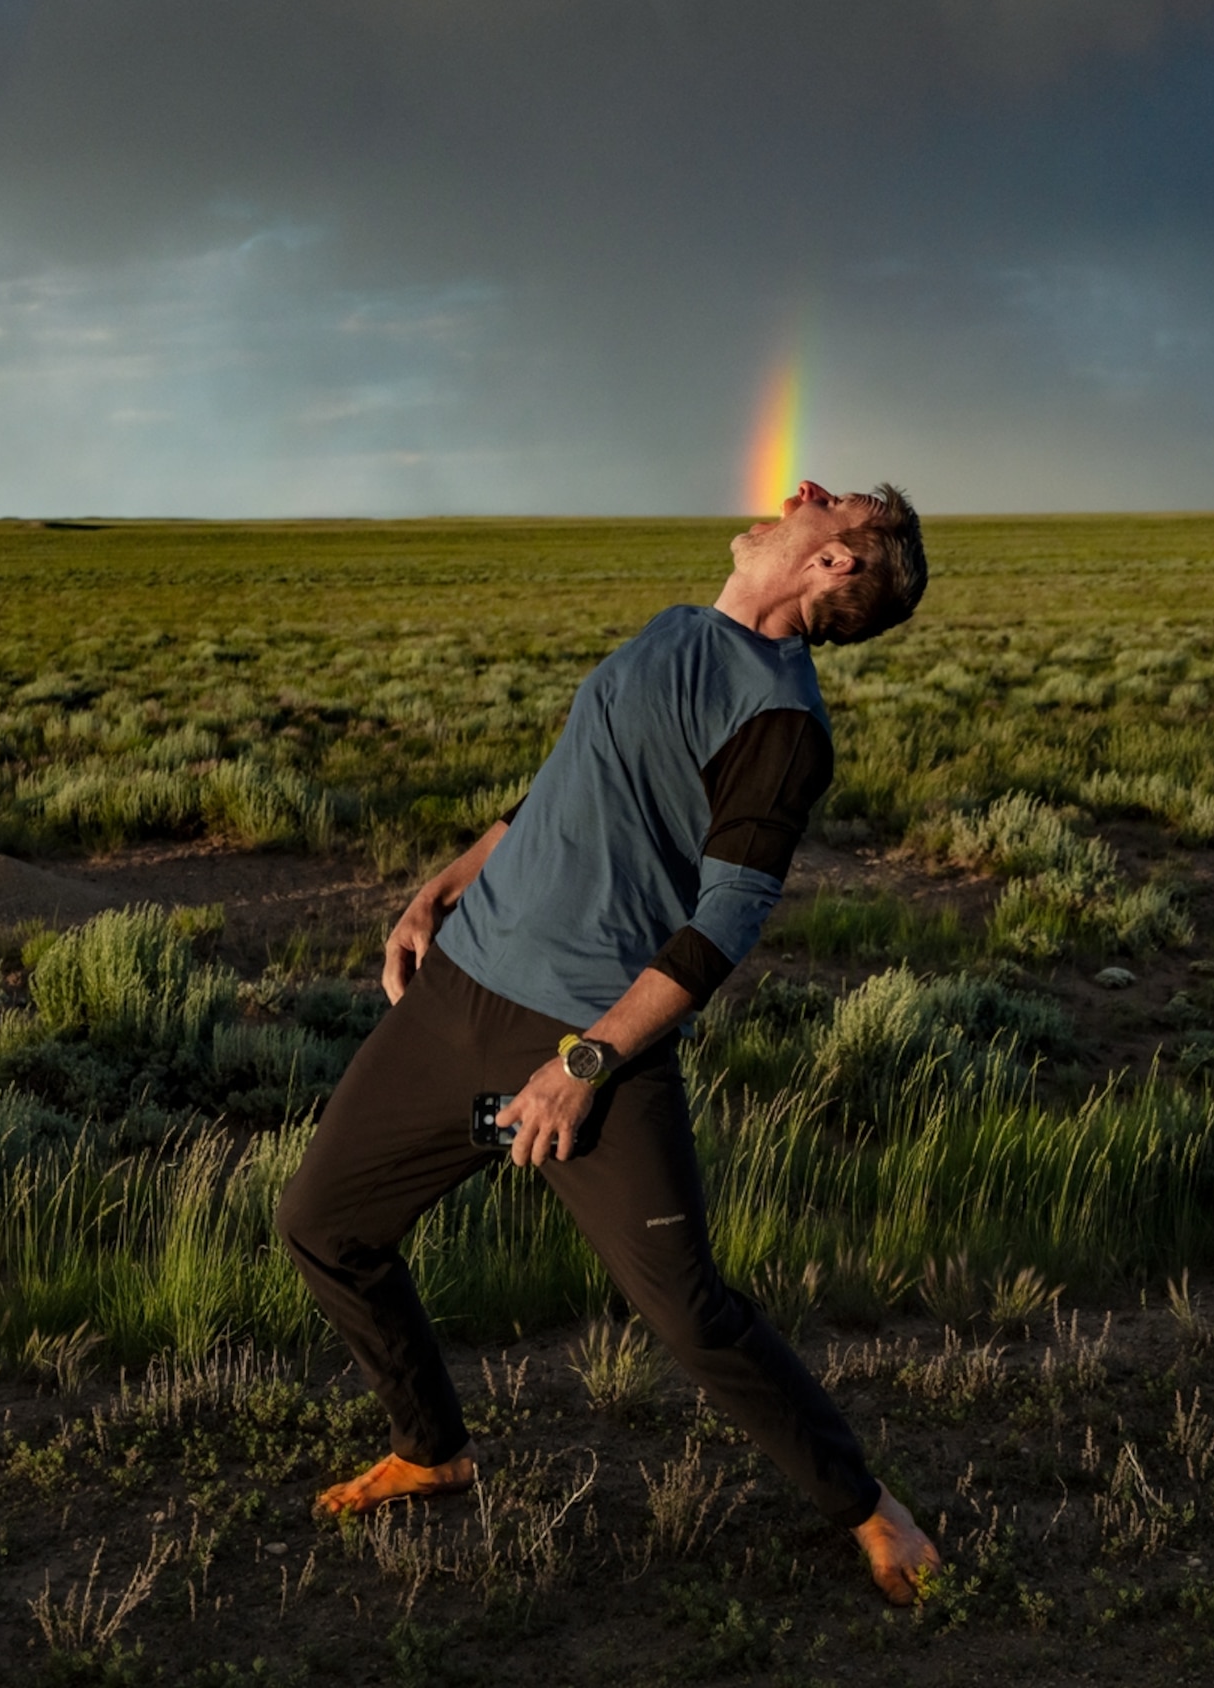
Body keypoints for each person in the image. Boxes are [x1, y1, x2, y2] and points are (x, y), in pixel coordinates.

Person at [274, 479, 942, 1603]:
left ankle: (871, 1508)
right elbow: (564, 784)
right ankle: (434, 1448)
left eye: (836, 503)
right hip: (458, 993)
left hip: (585, 1039)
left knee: (688, 1310)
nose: (804, 489)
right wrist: (435, 892)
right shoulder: (679, 628)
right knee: (323, 1224)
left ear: (838, 567)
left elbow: (725, 920)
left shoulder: (780, 723)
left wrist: (582, 1067)